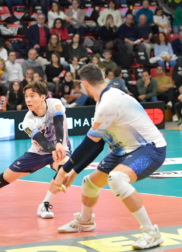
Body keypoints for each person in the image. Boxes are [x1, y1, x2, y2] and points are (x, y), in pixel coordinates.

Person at [54, 64, 167, 250]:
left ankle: (151, 233)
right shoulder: (103, 99)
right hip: (122, 150)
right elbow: (98, 145)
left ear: (85, 85)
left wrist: (64, 170)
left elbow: (89, 144)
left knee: (117, 178)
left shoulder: (109, 102)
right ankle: (85, 221)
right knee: (89, 183)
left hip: (150, 149)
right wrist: (74, 171)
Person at [0, 81, 76, 220]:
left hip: (61, 148)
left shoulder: (54, 103)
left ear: (43, 97)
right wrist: (53, 149)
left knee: (64, 169)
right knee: (4, 178)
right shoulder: (27, 121)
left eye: (32, 96)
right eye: (26, 96)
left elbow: (58, 122)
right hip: (37, 152)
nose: (28, 100)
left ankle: (45, 204)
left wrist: (60, 144)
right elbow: (41, 141)